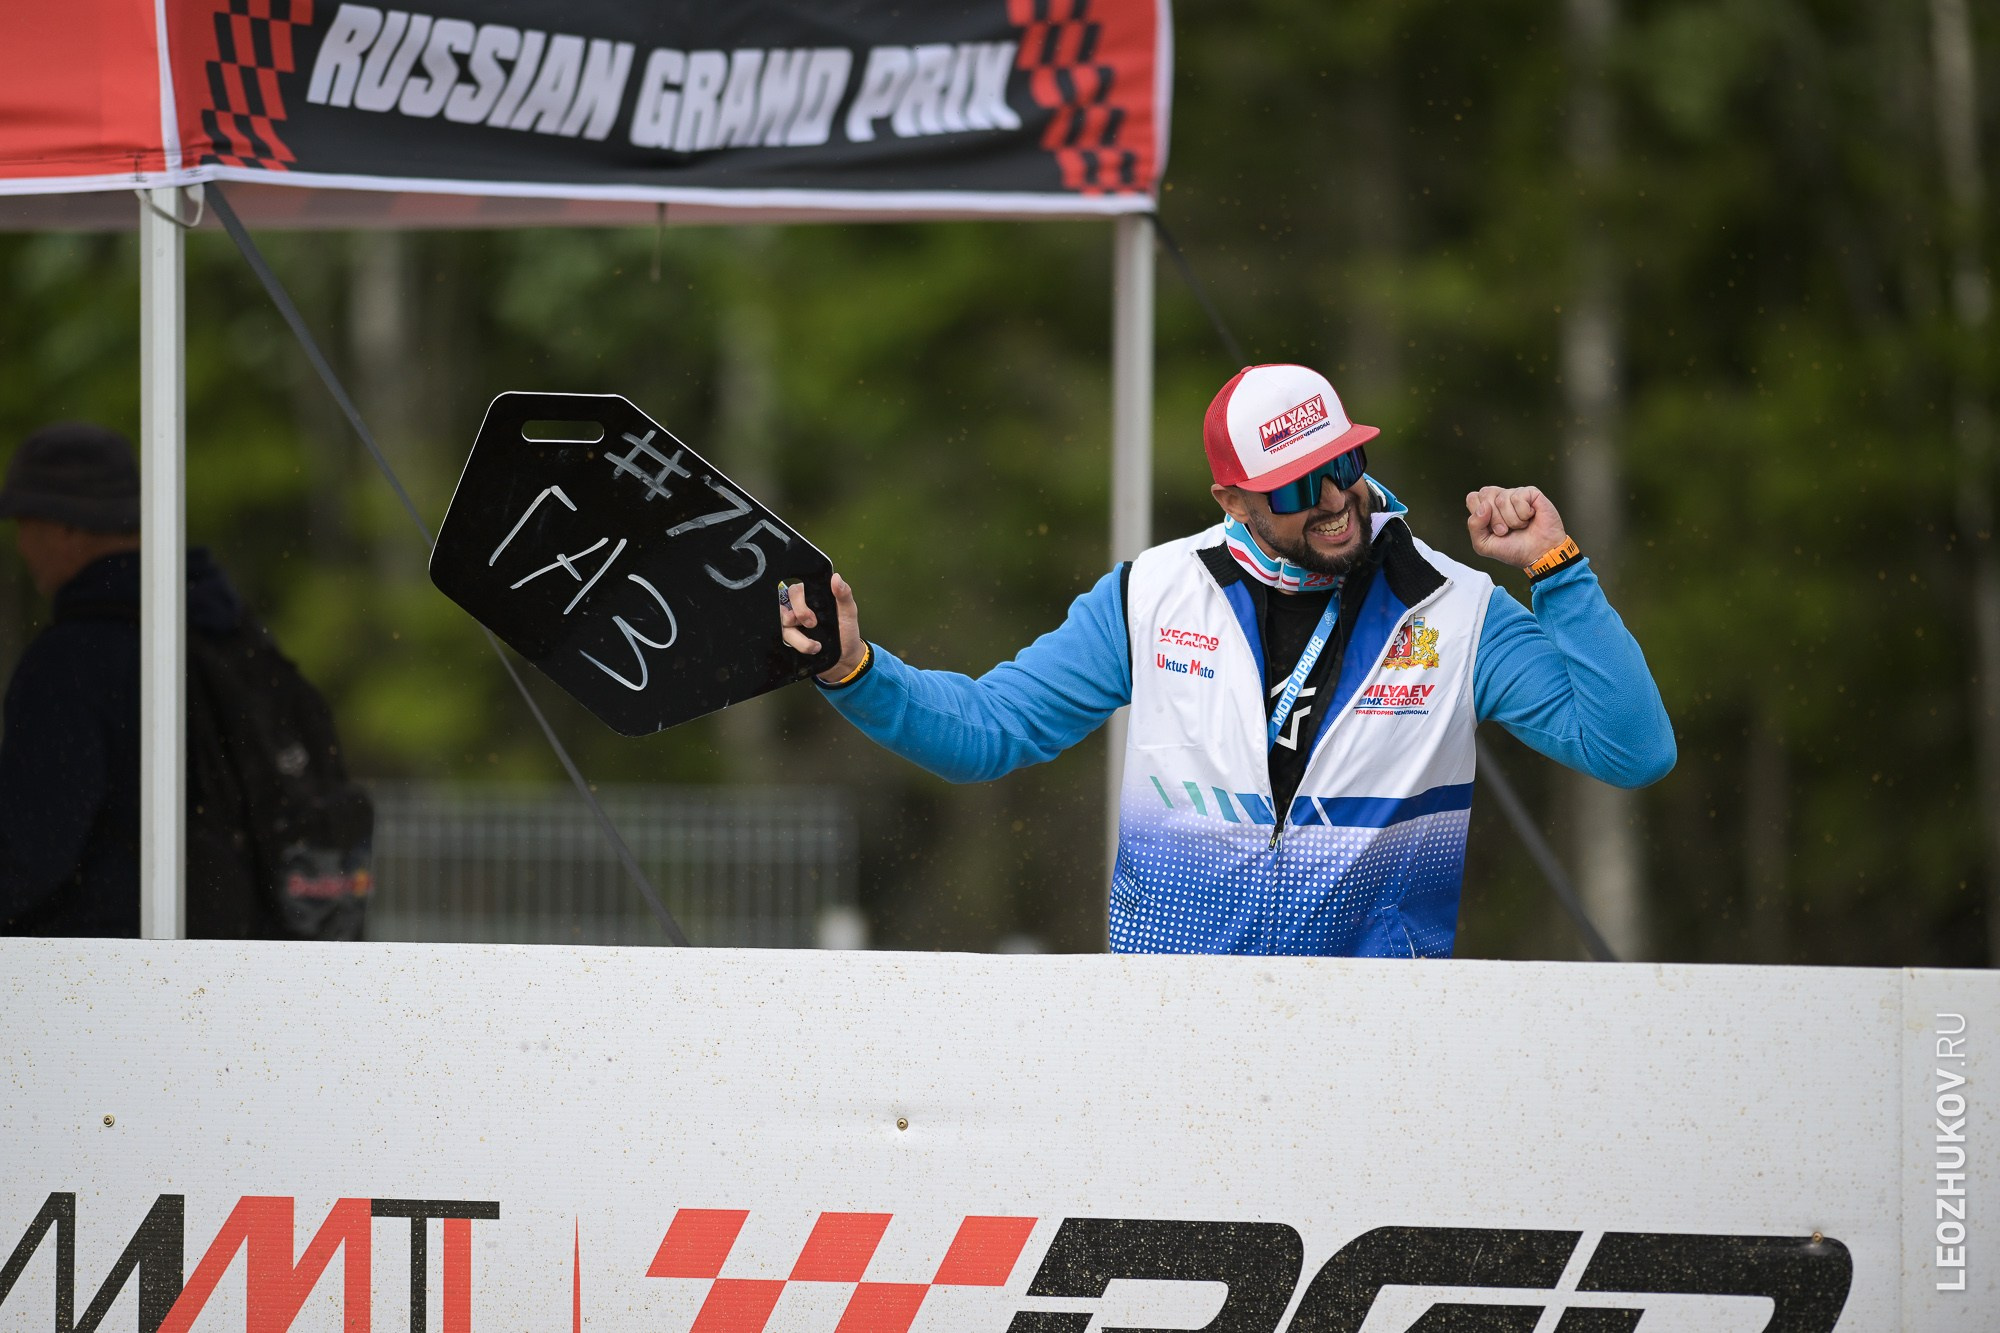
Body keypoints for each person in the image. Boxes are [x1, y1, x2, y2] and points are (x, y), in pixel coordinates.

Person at [781, 364, 1676, 957]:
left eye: (1345, 464)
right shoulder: (1153, 592)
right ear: (1233, 499)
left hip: (1377, 1051)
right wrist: (855, 667)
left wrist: (1558, 572)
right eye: (1294, 485)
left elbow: (1633, 750)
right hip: (1176, 1033)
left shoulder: (1455, 606)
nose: (1333, 501)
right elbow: (986, 732)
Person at [0, 423, 253, 937]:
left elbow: (27, 858)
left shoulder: (71, 663)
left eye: (27, 523)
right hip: (230, 966)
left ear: (68, 527)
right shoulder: (218, 631)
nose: (22, 545)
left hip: (103, 988)